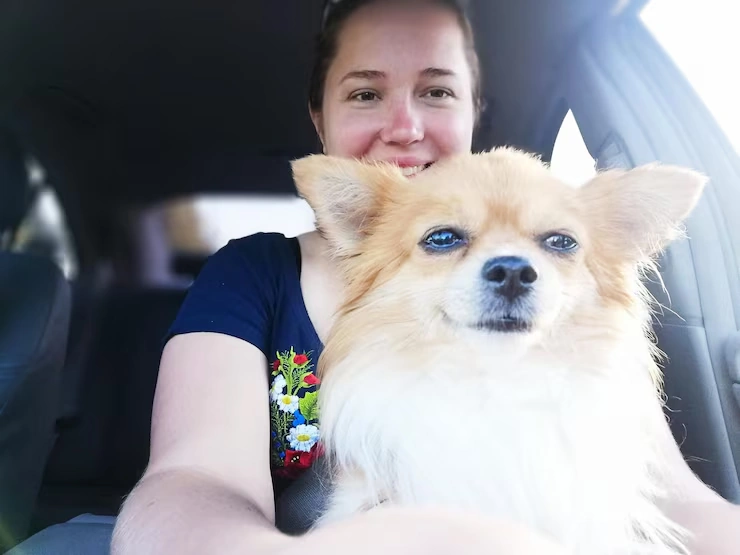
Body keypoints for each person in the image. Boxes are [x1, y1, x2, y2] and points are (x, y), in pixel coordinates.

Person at [111, 1, 740, 554]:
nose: (405, 127)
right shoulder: (254, 275)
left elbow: (679, 503)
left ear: (473, 113)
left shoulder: (588, 346)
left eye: (437, 91)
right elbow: (193, 480)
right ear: (319, 116)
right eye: (365, 94)